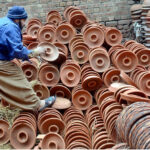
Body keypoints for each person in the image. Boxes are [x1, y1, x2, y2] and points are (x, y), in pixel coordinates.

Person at [0, 6, 56, 111]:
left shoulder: (3, 21)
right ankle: (37, 104)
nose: (25, 23)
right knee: (17, 77)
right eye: (24, 20)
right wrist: (36, 52)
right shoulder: (10, 27)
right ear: (17, 19)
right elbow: (18, 51)